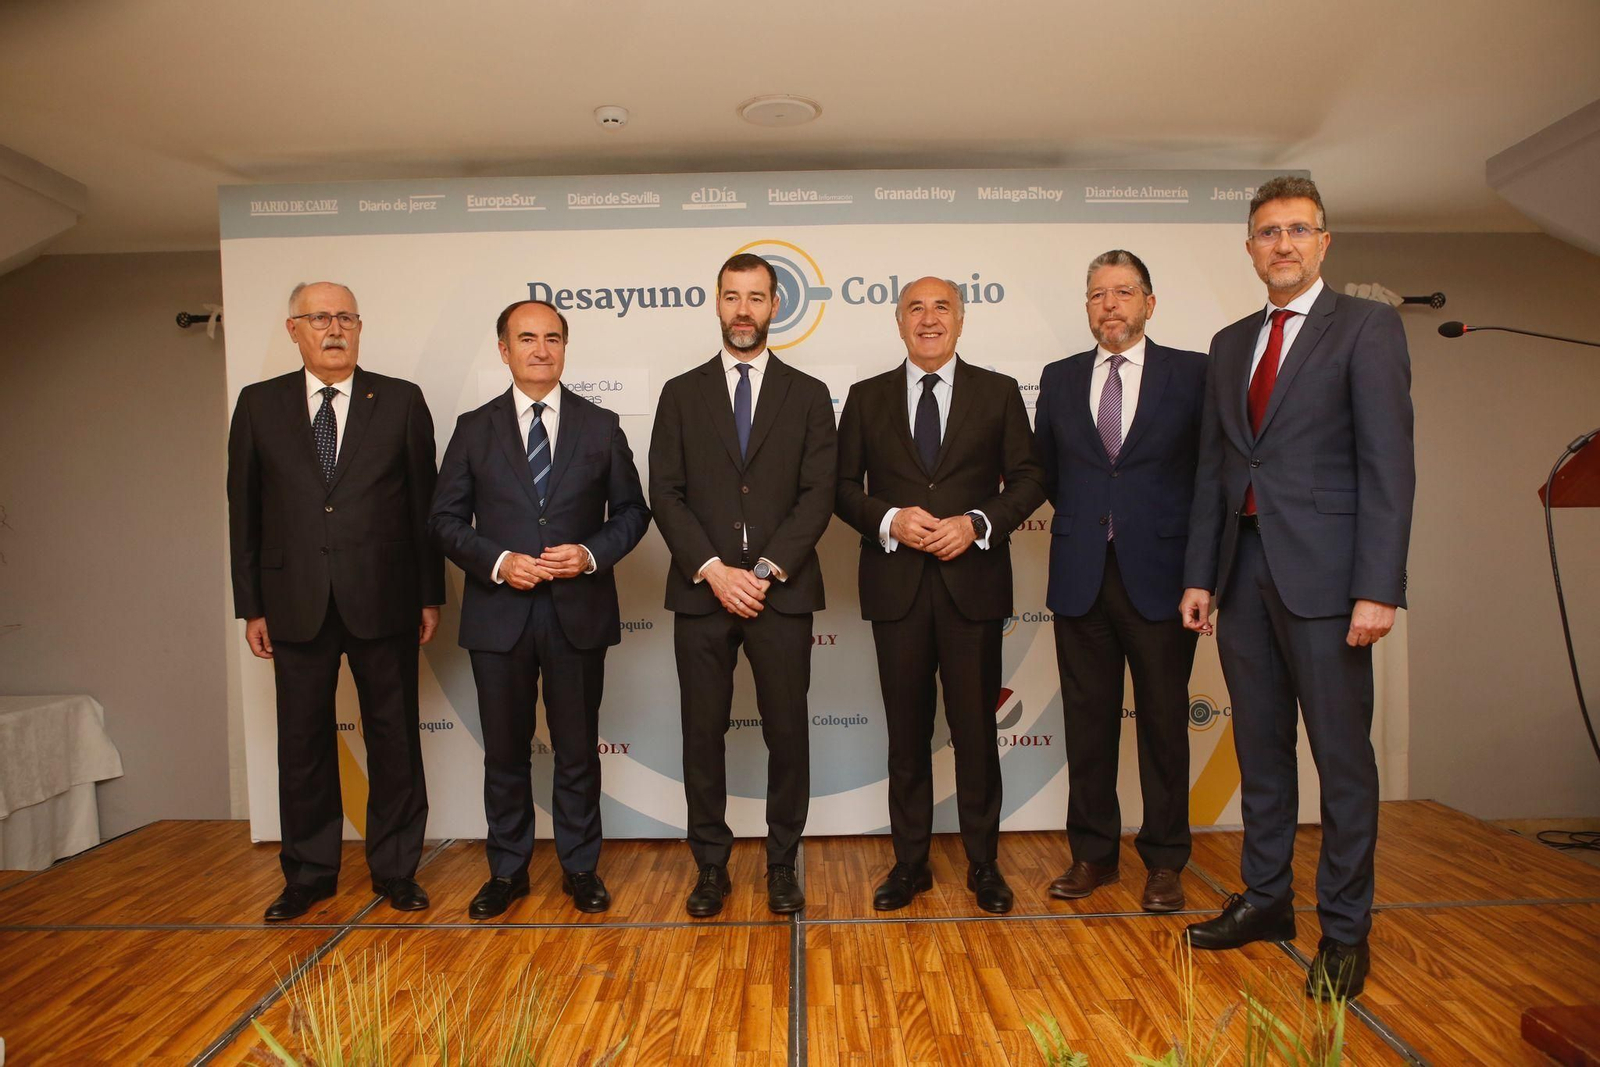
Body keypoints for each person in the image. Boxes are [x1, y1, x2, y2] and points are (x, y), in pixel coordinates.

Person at [1180, 176, 1414, 999]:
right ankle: (1268, 900)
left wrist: (1378, 586)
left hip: (1330, 581)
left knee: (1343, 763)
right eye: (1266, 232)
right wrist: (1202, 575)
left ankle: (1346, 931)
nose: (1281, 244)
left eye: (1297, 230)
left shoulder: (1367, 327)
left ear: (1324, 242)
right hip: (1242, 577)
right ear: (1249, 249)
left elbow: (1389, 466)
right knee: (1261, 754)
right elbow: (1217, 467)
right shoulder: (1228, 340)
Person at [227, 281, 444, 921]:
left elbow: (424, 507)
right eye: (320, 317)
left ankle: (397, 870)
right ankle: (309, 874)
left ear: (358, 326)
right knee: (302, 743)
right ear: (294, 329)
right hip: (292, 601)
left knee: (395, 737)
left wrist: (429, 595)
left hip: (386, 597)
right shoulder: (258, 405)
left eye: (345, 316)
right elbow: (245, 511)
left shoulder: (400, 401)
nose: (334, 328)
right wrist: (252, 605)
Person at [429, 300, 650, 918]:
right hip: (500, 613)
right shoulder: (475, 428)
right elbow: (442, 520)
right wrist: (498, 561)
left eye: (552, 338)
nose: (541, 349)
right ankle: (507, 870)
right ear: (504, 350)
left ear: (564, 347)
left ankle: (580, 868)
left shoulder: (600, 426)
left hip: (577, 613)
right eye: (527, 338)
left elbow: (634, 513)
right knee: (504, 750)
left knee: (577, 749)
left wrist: (587, 553)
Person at [835, 275, 1046, 914]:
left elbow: (1031, 479)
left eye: (942, 308)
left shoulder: (999, 392)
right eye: (916, 309)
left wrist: (977, 523)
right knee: (906, 733)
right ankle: (910, 864)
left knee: (977, 731)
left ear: (961, 320)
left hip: (972, 589)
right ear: (899, 323)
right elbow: (841, 488)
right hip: (896, 587)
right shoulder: (866, 398)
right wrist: (889, 520)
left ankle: (985, 865)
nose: (929, 319)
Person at [648, 253, 838, 917]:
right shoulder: (680, 391)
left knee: (787, 731)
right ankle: (710, 867)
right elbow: (665, 493)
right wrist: (714, 569)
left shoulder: (810, 394)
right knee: (702, 733)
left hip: (780, 591)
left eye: (756, 297)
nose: (743, 310)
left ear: (775, 305)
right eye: (733, 296)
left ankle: (782, 863)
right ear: (717, 302)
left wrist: (761, 572)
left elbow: (819, 494)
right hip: (702, 590)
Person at [1033, 250, 1207, 913]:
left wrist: (1203, 574)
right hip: (1081, 574)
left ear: (1149, 303)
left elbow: (1209, 475)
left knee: (1164, 722)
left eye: (1124, 292)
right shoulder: (1059, 376)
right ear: (1087, 306)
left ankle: (1164, 860)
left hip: (1163, 577)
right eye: (1099, 294)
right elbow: (1046, 469)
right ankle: (1093, 854)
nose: (1111, 304)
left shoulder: (1193, 374)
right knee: (1088, 722)